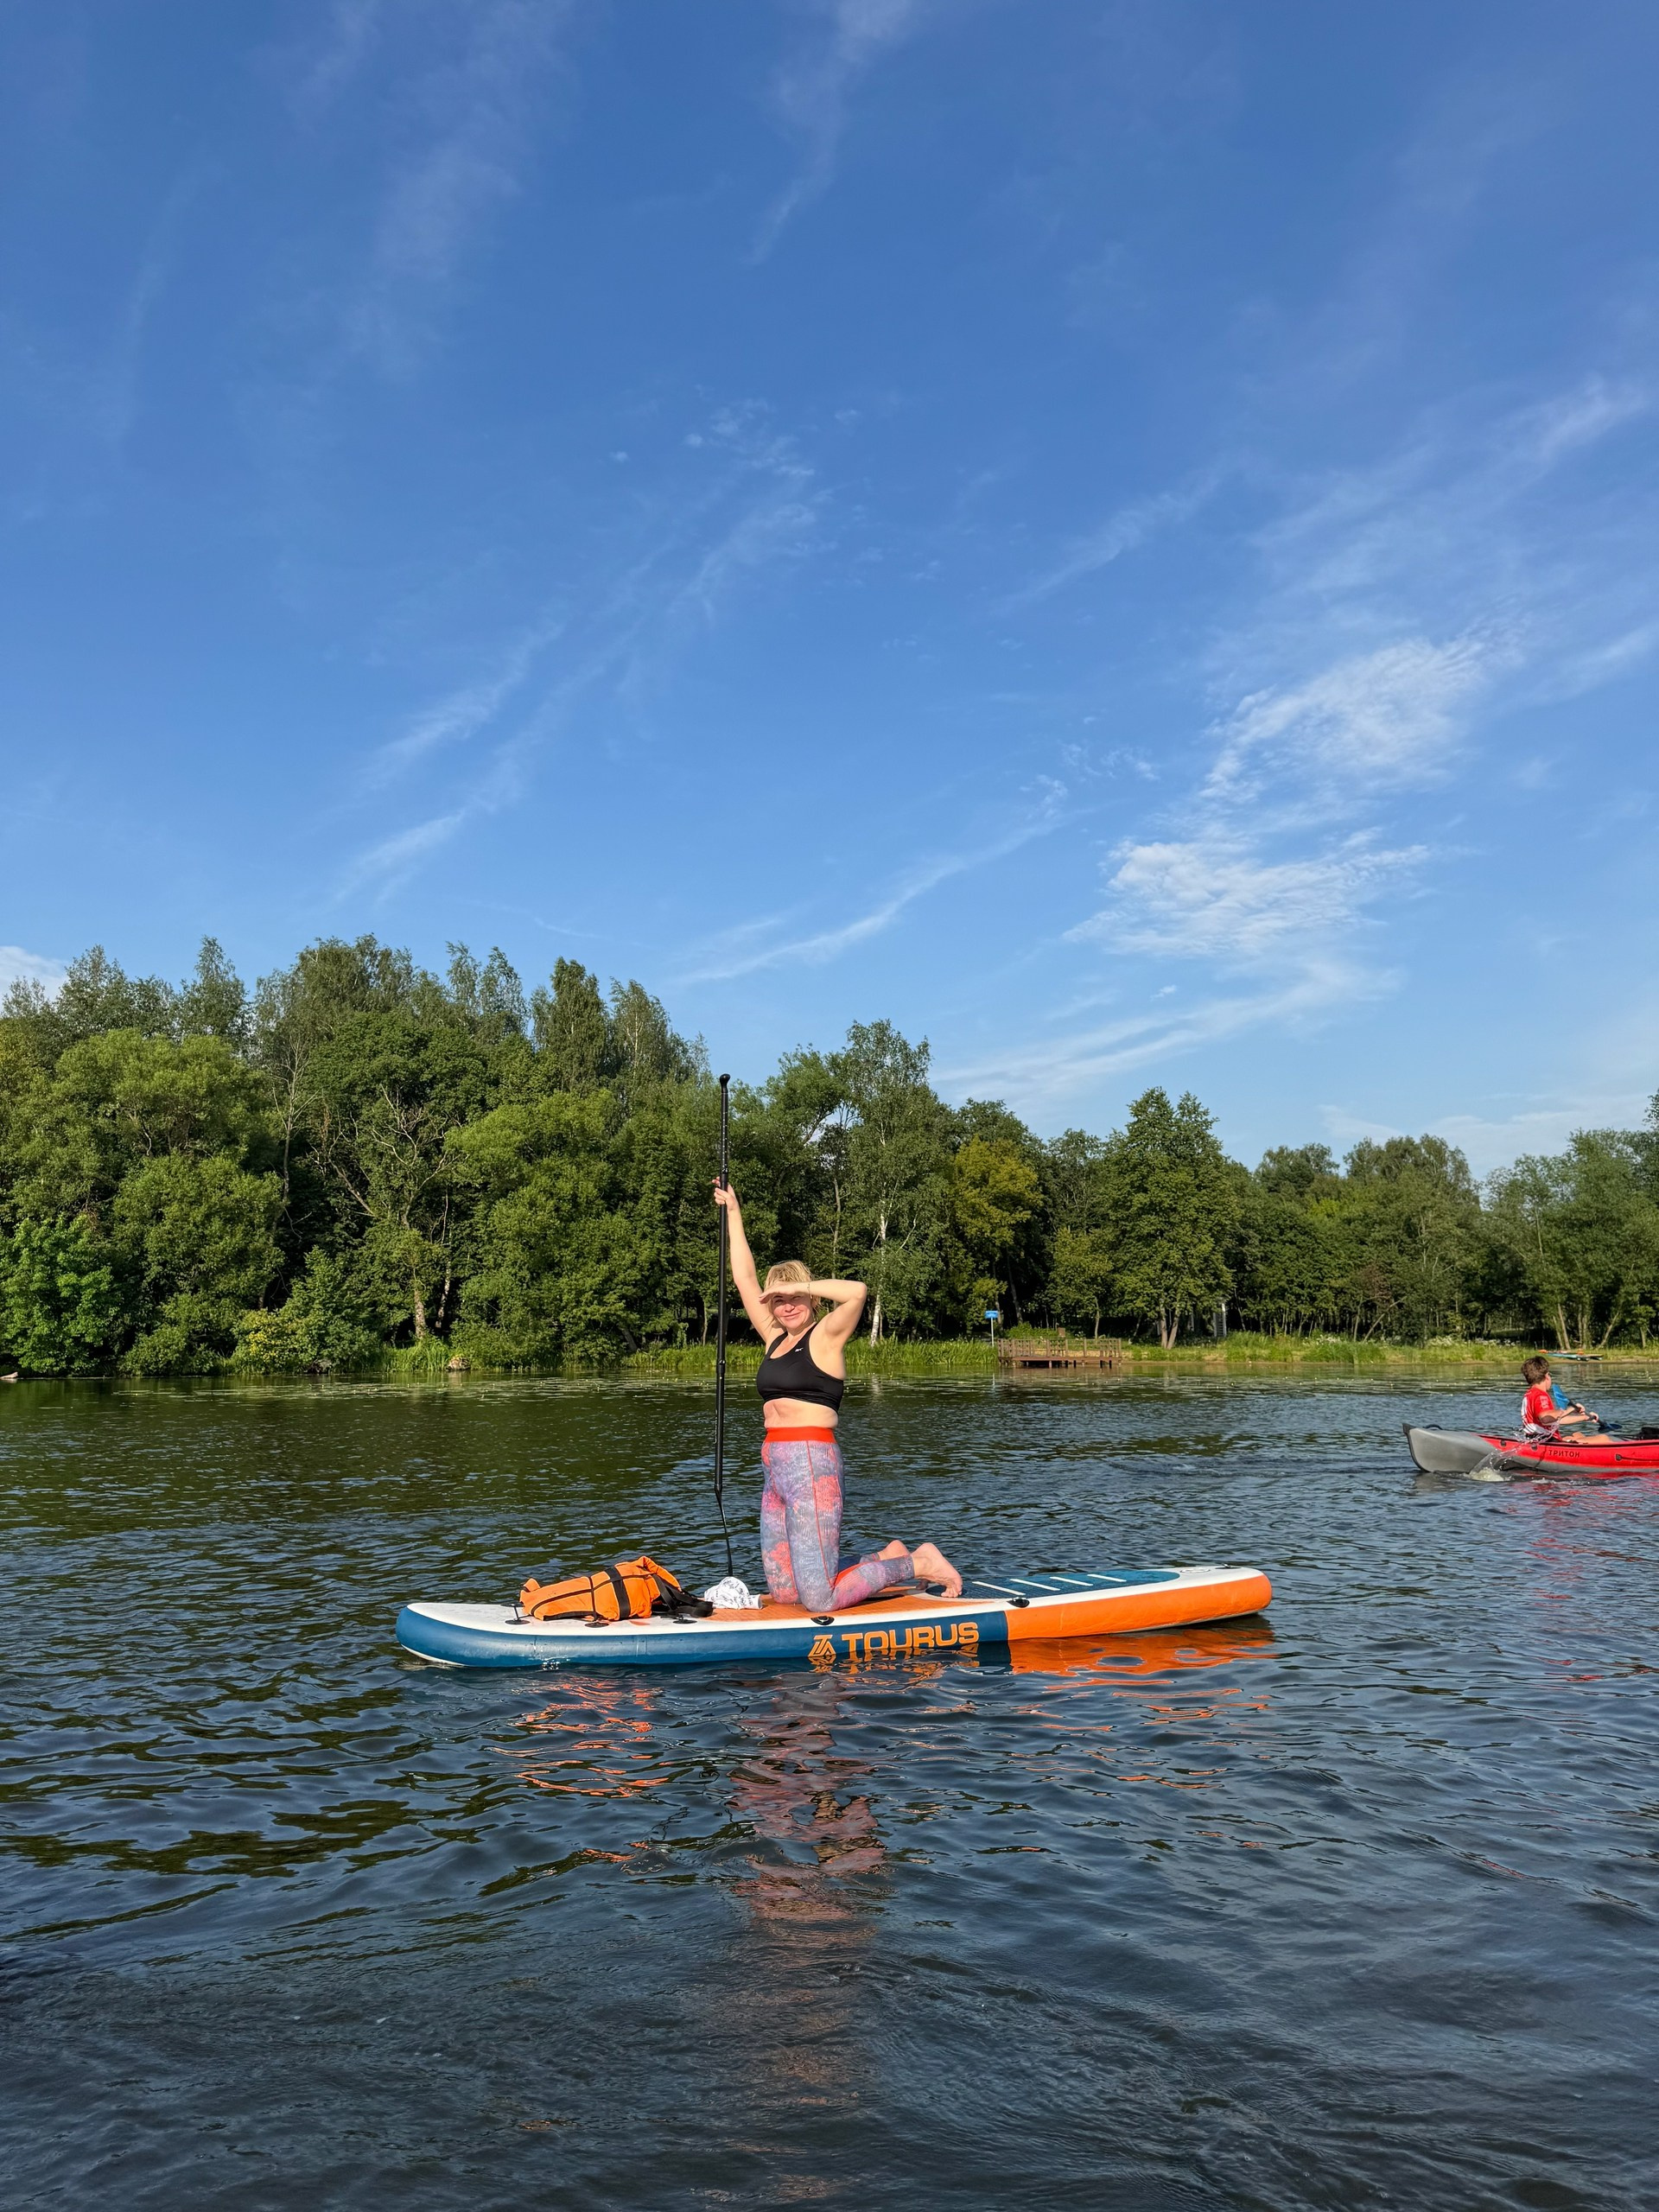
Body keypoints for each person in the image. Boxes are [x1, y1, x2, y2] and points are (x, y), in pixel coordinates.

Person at [714, 1179, 963, 1608]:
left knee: (820, 1598)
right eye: (778, 1299)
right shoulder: (774, 1336)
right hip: (775, 1465)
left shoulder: (826, 1334)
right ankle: (886, 1557)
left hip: (813, 1464)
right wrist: (733, 1213)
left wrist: (802, 1286)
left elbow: (856, 1292)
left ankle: (920, 1562)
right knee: (786, 1592)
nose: (787, 1305)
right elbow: (744, 1277)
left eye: (795, 1297)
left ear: (810, 1298)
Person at [1520, 1355, 1603, 1442]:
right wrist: (1571, 1408)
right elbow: (1545, 1419)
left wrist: (1585, 1417)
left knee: (1577, 1435)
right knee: (1602, 1438)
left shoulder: (1530, 1394)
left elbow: (1554, 1420)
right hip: (1547, 1441)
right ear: (1547, 1376)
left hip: (1535, 1438)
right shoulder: (1540, 1395)